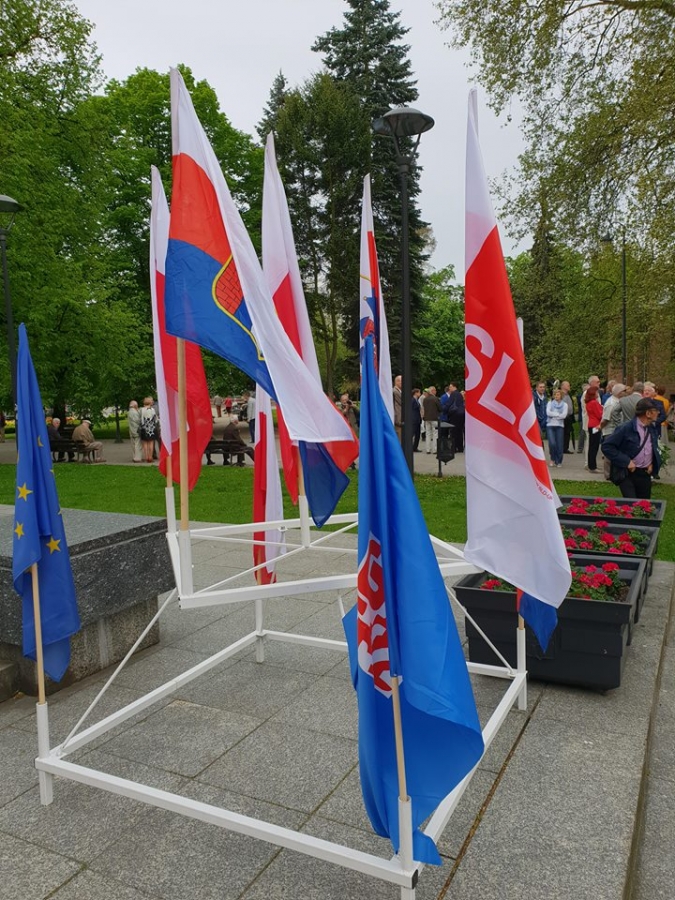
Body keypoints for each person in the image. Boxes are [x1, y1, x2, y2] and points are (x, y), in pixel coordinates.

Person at [602, 398, 661, 498]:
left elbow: (652, 447)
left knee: (644, 504)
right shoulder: (626, 428)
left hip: (645, 474)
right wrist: (626, 461)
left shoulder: (652, 428)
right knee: (631, 503)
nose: (658, 413)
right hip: (627, 473)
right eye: (656, 410)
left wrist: (652, 462)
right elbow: (607, 446)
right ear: (648, 413)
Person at [600, 383, 627, 479]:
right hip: (610, 430)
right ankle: (608, 475)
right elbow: (605, 419)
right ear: (619, 392)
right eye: (624, 391)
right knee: (609, 453)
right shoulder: (611, 403)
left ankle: (614, 473)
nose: (626, 392)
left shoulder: (618, 401)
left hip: (616, 430)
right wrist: (600, 428)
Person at [584, 386, 603, 473]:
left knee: (592, 446)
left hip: (591, 424)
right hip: (596, 425)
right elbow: (599, 414)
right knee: (594, 446)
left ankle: (591, 465)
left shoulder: (588, 402)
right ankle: (592, 466)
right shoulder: (594, 403)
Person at [545, 389, 566, 467]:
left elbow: (564, 415)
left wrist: (553, 414)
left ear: (561, 396)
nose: (556, 396)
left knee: (559, 444)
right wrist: (558, 414)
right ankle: (552, 458)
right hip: (550, 425)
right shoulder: (550, 403)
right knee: (552, 443)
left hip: (560, 426)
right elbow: (548, 413)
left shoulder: (565, 405)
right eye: (555, 395)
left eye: (558, 395)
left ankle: (559, 461)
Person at [138, 397, 160, 463]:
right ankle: (150, 457)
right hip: (151, 429)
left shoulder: (141, 409)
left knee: (145, 444)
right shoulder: (152, 410)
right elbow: (156, 420)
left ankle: (146, 457)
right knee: (151, 443)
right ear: (150, 402)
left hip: (144, 428)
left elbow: (139, 419)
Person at [422, 386, 441, 455]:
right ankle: (435, 449)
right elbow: (440, 408)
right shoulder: (435, 399)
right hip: (434, 418)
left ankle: (428, 449)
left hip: (427, 418)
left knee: (428, 434)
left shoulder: (425, 399)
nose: (435, 391)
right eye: (435, 390)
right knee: (435, 434)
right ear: (432, 391)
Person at [560, 381, 575, 453]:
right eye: (568, 385)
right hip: (562, 417)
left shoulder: (568, 395)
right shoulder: (560, 395)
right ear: (563, 386)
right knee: (562, 433)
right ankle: (561, 447)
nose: (569, 386)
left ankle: (565, 448)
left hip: (569, 417)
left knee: (567, 433)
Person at [393, 375, 402, 441]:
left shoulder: (398, 391)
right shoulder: (395, 392)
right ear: (397, 382)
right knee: (399, 438)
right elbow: (402, 403)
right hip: (398, 419)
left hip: (398, 419)